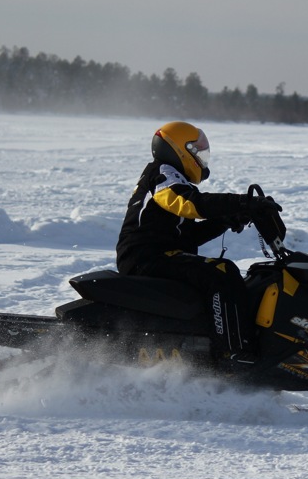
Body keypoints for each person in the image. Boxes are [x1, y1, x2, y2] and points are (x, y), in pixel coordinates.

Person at [116, 121, 279, 365]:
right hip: (146, 256)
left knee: (218, 273)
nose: (202, 159)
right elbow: (188, 203)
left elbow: (189, 235)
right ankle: (235, 354)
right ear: (179, 149)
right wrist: (242, 203)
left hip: (156, 253)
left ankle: (215, 344)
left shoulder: (171, 177)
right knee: (222, 273)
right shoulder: (162, 173)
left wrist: (226, 219)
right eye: (198, 152)